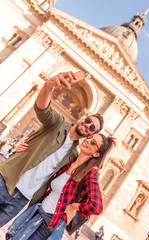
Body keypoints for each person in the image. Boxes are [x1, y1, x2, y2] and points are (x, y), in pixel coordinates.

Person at [0, 71, 104, 227]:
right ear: (83, 117)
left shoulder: (74, 156)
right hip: (6, 180)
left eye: (92, 128)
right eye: (88, 120)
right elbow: (43, 108)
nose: (87, 125)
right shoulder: (58, 123)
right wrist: (49, 86)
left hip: (23, 198)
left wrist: (74, 207)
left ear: (91, 134)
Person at [6, 133, 115, 240]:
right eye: (89, 137)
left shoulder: (89, 173)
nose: (88, 140)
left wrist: (73, 206)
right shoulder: (70, 161)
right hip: (37, 212)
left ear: (96, 154)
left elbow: (97, 206)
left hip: (48, 224)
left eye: (93, 142)